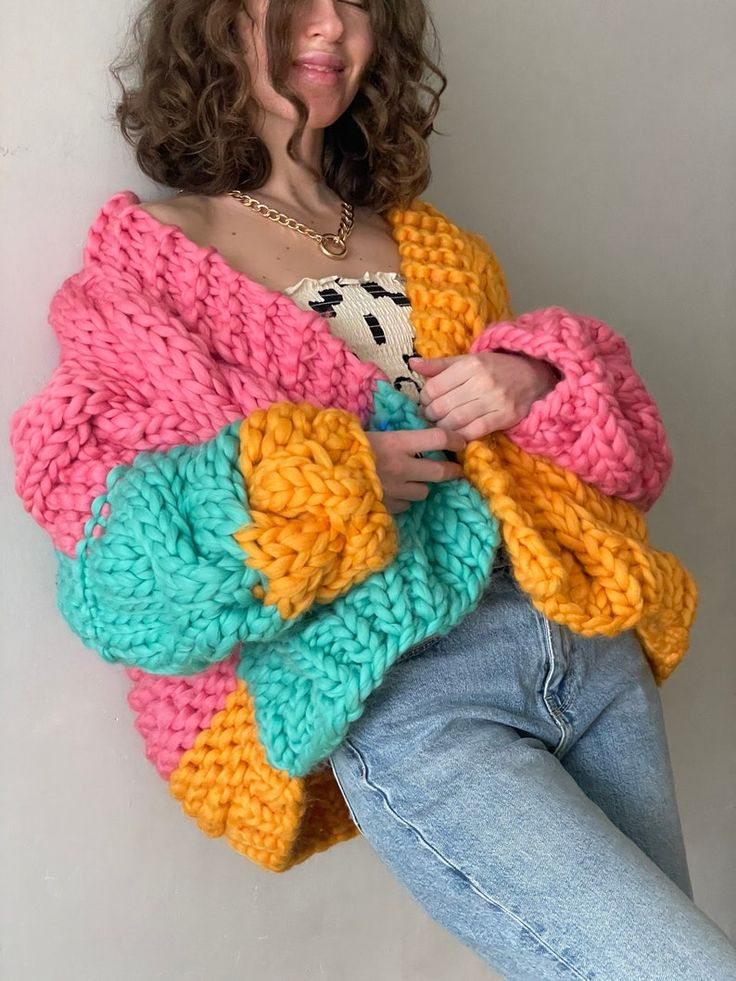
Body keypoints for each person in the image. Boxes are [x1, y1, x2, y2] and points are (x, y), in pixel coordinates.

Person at [9, 1, 736, 977]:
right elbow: (121, 570)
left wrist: (532, 378)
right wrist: (337, 482)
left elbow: (623, 466)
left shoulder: (436, 249)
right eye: (293, 2)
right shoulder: (152, 267)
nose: (330, 27)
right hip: (413, 694)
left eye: (354, 4)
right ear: (216, 25)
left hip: (585, 648)